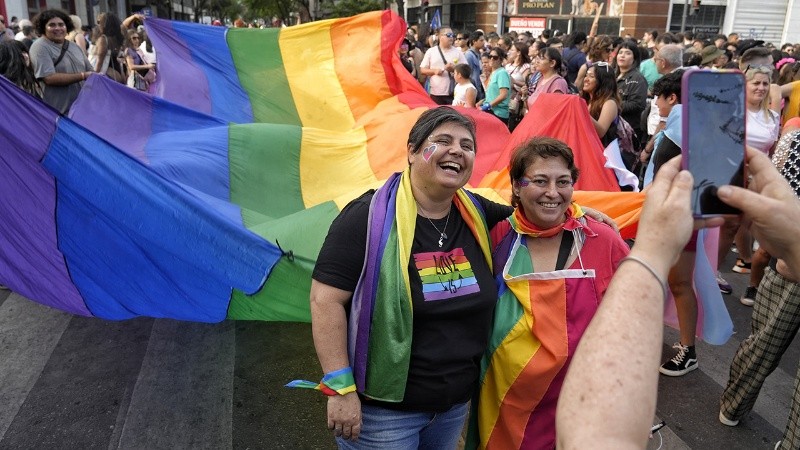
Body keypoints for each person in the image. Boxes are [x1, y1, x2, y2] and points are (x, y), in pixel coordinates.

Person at [298, 107, 615, 448]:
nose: (457, 151)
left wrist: (577, 212)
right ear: (413, 151)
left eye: (467, 145)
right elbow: (325, 301)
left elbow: (531, 212)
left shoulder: (476, 212)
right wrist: (340, 388)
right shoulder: (366, 217)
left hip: (452, 409)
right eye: (443, 141)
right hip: (384, 415)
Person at [558, 146, 800, 449]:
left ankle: (688, 350)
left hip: (679, 218)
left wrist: (650, 254)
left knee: (681, 284)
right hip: (680, 215)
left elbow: (594, 436)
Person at [471, 137, 629, 450]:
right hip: (504, 404)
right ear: (517, 186)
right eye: (540, 181)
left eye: (563, 181)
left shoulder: (603, 239)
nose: (553, 193)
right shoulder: (496, 233)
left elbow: (634, 320)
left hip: (580, 404)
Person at [28, 9, 93, 114]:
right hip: (59, 114)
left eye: (61, 24)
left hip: (82, 111)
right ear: (43, 28)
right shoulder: (39, 47)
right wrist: (82, 76)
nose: (57, 28)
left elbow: (90, 70)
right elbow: (49, 77)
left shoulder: (74, 46)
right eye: (52, 25)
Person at [614, 40, 648, 165]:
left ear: (634, 58)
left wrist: (611, 107)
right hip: (613, 130)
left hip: (628, 132)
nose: (622, 55)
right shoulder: (613, 75)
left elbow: (638, 104)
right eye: (620, 52)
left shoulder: (637, 79)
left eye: (627, 53)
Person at [420, 27, 465, 105]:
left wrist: (453, 69)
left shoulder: (458, 52)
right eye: (448, 35)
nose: (451, 37)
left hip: (453, 92)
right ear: (440, 37)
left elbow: (466, 70)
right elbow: (422, 70)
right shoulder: (431, 51)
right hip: (435, 92)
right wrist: (434, 71)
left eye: (452, 35)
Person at [581, 62, 619, 148]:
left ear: (603, 81)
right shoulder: (586, 100)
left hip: (603, 153)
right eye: (586, 75)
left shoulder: (609, 103)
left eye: (591, 76)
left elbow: (600, 132)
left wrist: (580, 110)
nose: (586, 79)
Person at [89, 12, 126, 83]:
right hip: (115, 75)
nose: (97, 24)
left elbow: (99, 63)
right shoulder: (115, 40)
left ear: (105, 24)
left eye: (99, 22)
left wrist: (92, 79)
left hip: (104, 75)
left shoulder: (103, 39)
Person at [480, 47, 511, 126]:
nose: (492, 59)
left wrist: (488, 105)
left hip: (498, 113)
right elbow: (492, 95)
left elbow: (503, 94)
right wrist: (482, 102)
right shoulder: (493, 73)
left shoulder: (502, 73)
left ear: (501, 59)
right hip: (490, 111)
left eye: (495, 57)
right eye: (490, 57)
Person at [464, 31, 485, 102]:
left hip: (480, 88)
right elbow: (468, 74)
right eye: (481, 40)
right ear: (474, 41)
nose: (483, 42)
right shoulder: (469, 55)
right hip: (473, 88)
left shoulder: (480, 54)